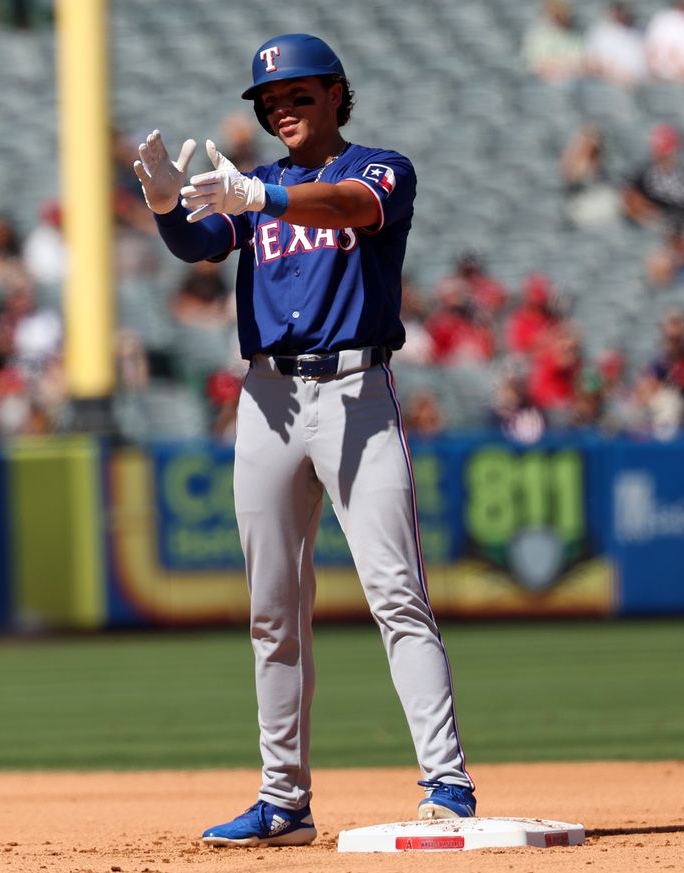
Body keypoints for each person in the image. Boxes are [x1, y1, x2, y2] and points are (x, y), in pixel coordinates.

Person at [132, 33, 475, 848]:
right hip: (268, 397)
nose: (282, 108)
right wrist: (165, 207)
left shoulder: (381, 166)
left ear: (335, 95)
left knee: (396, 592)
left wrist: (258, 199)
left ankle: (448, 781)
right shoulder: (259, 186)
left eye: (298, 94)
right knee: (271, 611)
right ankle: (283, 799)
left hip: (358, 392)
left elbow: (354, 207)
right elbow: (202, 243)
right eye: (270, 100)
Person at [623, 124, 684, 229]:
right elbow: (630, 205)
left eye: (666, 152)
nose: (663, 156)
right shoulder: (646, 174)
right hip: (656, 225)